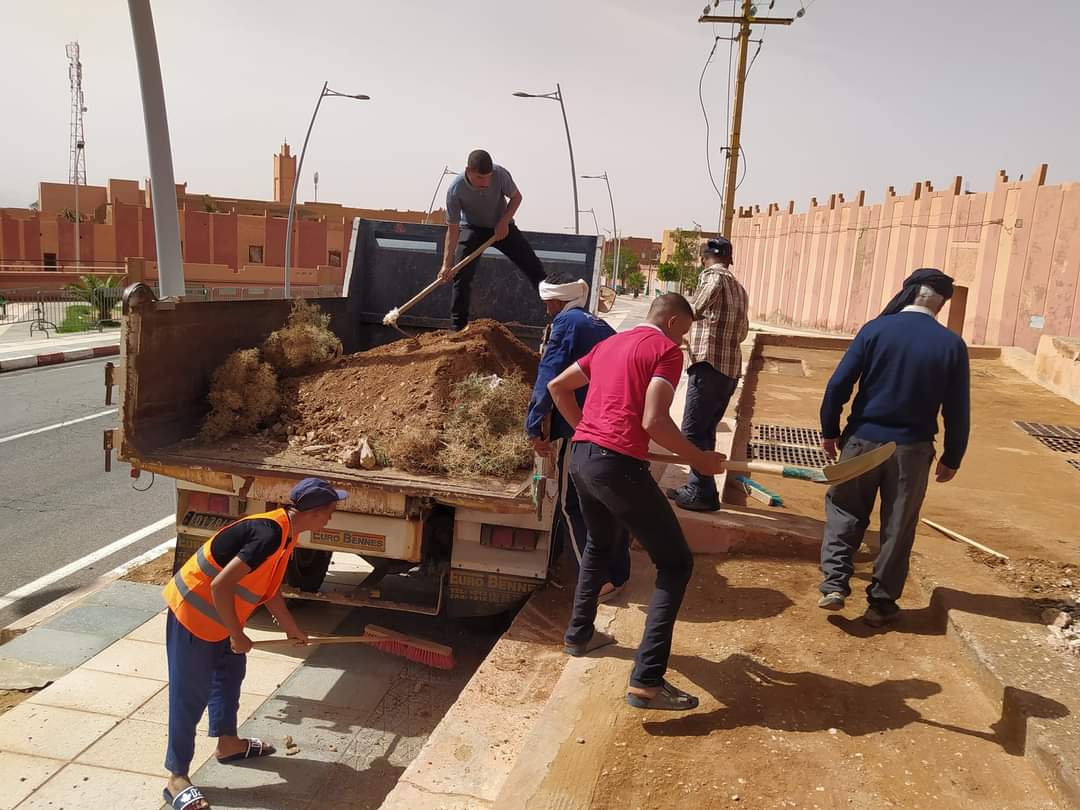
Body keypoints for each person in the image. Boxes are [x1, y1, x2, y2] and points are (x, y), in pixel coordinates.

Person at [547, 294, 726, 711]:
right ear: (674, 322)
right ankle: (647, 681)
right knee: (676, 563)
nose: (685, 340)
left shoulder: (610, 344)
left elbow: (559, 387)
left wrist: (587, 431)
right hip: (617, 468)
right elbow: (655, 421)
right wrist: (699, 460)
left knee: (599, 542)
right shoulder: (664, 351)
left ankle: (579, 634)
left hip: (582, 459)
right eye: (685, 330)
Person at [161, 478, 346, 810]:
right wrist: (237, 634)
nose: (331, 518)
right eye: (330, 512)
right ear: (315, 512)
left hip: (219, 620)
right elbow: (220, 586)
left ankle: (228, 744)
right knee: (190, 695)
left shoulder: (287, 533)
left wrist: (292, 629)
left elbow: (270, 589)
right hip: (192, 614)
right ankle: (176, 779)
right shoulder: (269, 535)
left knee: (230, 676)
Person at [817, 268, 970, 628]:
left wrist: (830, 429)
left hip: (862, 443)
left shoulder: (875, 330)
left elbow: (838, 384)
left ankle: (835, 583)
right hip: (912, 451)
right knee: (898, 526)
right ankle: (881, 603)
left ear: (910, 293)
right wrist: (953, 456)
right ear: (940, 304)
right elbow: (957, 409)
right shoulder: (951, 345)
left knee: (845, 511)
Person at [525, 271, 630, 600]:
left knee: (573, 504)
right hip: (620, 425)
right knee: (610, 503)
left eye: (548, 304)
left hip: (588, 428)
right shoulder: (598, 325)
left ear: (557, 302)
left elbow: (549, 374)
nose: (546, 311)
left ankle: (596, 581)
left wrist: (533, 424)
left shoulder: (566, 324)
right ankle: (618, 574)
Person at [667, 236, 749, 512]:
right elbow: (744, 331)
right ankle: (700, 487)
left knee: (691, 432)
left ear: (704, 258)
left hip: (708, 366)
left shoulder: (712, 278)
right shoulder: (739, 288)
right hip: (729, 370)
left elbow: (692, 311)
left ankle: (701, 491)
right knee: (705, 432)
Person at [439, 149, 547, 330]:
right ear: (468, 170)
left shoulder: (500, 174)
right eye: (481, 178)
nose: (486, 182)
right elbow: (453, 228)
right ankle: (457, 327)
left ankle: (560, 316)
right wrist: (446, 264)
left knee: (534, 268)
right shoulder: (455, 190)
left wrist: (504, 222)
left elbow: (516, 197)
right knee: (462, 276)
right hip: (473, 229)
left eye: (488, 177)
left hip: (503, 228)